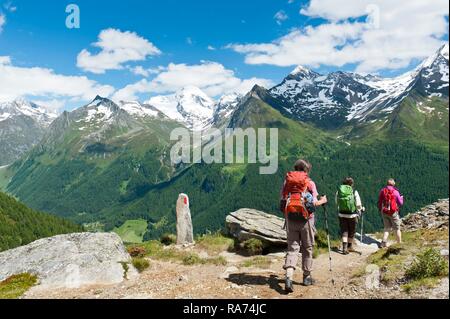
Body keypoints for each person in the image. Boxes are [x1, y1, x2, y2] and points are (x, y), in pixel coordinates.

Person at [280, 159, 328, 293]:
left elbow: (282, 200)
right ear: (306, 170)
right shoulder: (309, 183)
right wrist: (323, 200)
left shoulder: (287, 182)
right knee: (307, 247)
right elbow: (313, 203)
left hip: (290, 219)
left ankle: (288, 277)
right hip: (307, 220)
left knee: (292, 248)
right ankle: (306, 277)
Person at [335, 177, 365, 255]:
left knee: (344, 230)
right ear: (352, 184)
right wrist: (361, 208)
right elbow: (358, 204)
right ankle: (349, 246)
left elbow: (336, 202)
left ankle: (344, 248)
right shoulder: (354, 191)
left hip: (341, 214)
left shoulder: (339, 191)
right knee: (352, 231)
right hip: (352, 215)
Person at [378, 179, 404, 248]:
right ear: (393, 184)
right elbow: (400, 203)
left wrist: (380, 209)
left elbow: (380, 201)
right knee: (397, 228)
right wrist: (401, 198)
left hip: (385, 212)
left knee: (387, 228)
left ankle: (383, 243)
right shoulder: (396, 192)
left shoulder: (383, 191)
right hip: (393, 212)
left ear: (387, 184)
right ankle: (399, 243)